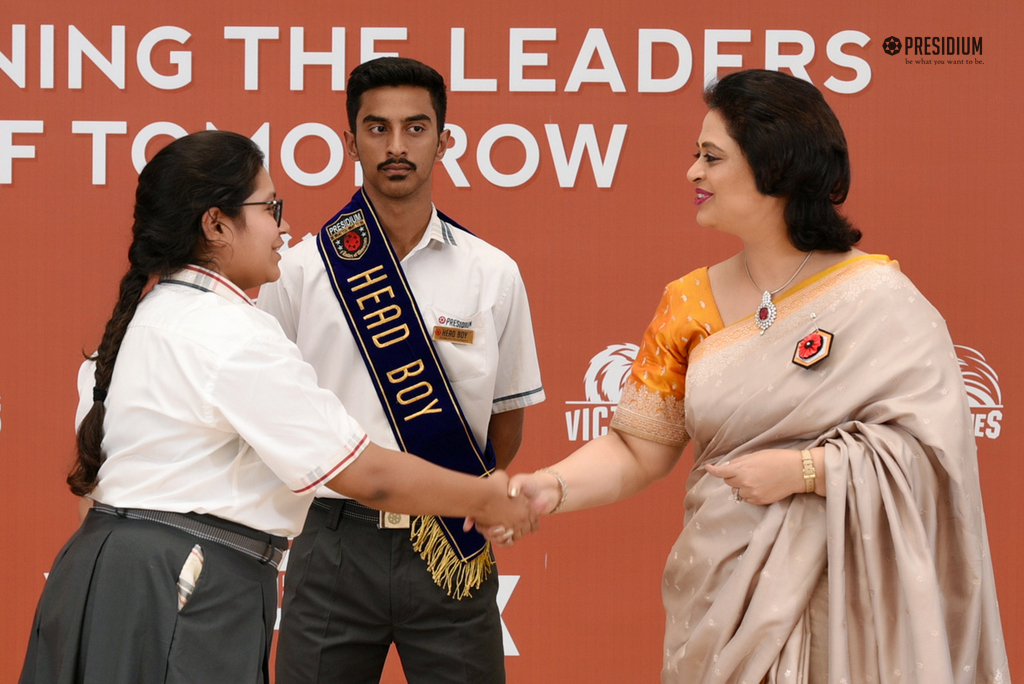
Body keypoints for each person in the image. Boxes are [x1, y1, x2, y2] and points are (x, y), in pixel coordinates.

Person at [500, 70, 1011, 683]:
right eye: (696, 156)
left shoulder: (882, 299)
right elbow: (637, 449)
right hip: (722, 600)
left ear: (776, 168)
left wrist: (805, 471)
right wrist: (550, 487)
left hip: (848, 607)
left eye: (711, 158)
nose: (693, 173)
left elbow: (933, 457)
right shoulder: (687, 302)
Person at [19, 130, 536, 684]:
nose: (284, 227)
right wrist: (485, 496)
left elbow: (93, 494)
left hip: (94, 575)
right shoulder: (235, 334)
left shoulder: (134, 327)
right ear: (216, 225)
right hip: (190, 582)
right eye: (270, 208)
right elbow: (367, 475)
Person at [259, 57, 544, 684]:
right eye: (377, 128)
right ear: (349, 140)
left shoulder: (492, 272)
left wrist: (457, 495)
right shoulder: (301, 271)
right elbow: (270, 409)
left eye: (416, 128)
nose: (396, 146)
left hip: (450, 541)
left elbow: (507, 422)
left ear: (444, 140)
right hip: (333, 540)